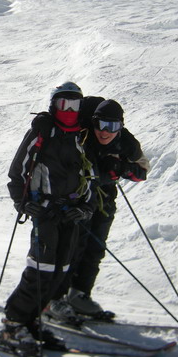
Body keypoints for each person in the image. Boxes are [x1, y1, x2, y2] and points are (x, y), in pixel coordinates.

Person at [0, 81, 98, 352]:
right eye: (63, 103)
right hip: (46, 212)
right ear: (53, 105)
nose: (69, 109)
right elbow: (17, 173)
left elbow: (88, 177)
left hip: (71, 213)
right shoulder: (42, 133)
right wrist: (23, 202)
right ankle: (13, 325)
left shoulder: (81, 137)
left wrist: (86, 207)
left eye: (75, 104)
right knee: (40, 270)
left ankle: (32, 321)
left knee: (62, 271)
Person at [47, 98, 149, 319]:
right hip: (77, 200)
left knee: (95, 247)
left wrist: (120, 167)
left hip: (104, 201)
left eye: (112, 127)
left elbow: (142, 170)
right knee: (71, 247)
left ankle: (79, 295)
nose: (105, 132)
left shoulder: (126, 143)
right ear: (92, 123)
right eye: (100, 125)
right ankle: (55, 297)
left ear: (120, 126)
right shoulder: (81, 135)